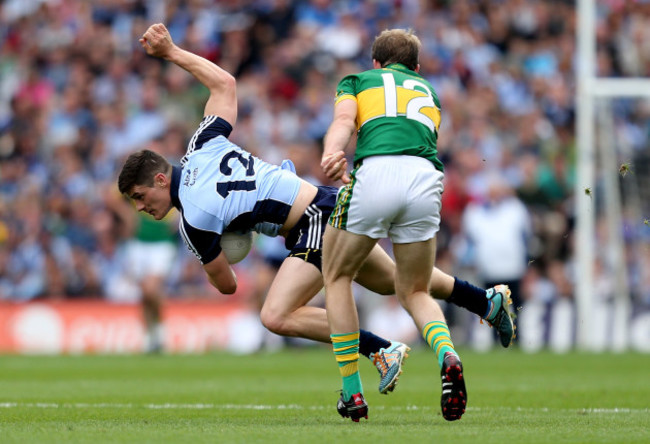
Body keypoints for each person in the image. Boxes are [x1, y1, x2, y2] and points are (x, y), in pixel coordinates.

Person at [118, 24, 514, 402]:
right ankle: (484, 302)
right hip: (325, 202)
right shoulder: (202, 141)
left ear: (158, 178)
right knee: (398, 282)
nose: (141, 208)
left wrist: (232, 239)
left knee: (275, 315)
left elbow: (227, 285)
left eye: (139, 196)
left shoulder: (191, 221)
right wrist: (171, 52)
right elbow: (225, 83)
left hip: (311, 221)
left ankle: (380, 352)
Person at [319, 29, 508, 422]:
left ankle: (352, 393)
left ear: (376, 63)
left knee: (336, 275)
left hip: (376, 172)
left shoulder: (357, 81)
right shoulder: (429, 90)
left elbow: (343, 120)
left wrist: (332, 150)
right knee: (415, 289)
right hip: (426, 178)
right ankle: (448, 354)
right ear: (416, 67)